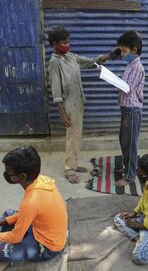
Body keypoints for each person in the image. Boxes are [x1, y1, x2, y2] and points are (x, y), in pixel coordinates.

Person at [0, 146, 68, 263]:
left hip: (48, 247)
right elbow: (26, 214)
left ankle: (16, 245)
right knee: (8, 214)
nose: (6, 175)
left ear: (22, 176)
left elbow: (16, 237)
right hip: (42, 231)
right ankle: (6, 238)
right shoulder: (42, 180)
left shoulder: (30, 202)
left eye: (9, 173)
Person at [48, 26, 106, 184]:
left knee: (77, 136)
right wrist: (62, 113)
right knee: (72, 138)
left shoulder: (71, 56)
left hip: (78, 102)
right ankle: (69, 169)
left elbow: (89, 62)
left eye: (68, 41)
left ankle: (73, 163)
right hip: (69, 106)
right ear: (54, 44)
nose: (68, 44)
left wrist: (105, 57)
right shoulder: (54, 63)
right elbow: (56, 92)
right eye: (64, 42)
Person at [102, 30, 145, 187]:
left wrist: (113, 79)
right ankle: (128, 168)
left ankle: (130, 176)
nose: (122, 54)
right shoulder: (130, 65)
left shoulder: (137, 67)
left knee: (130, 143)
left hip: (132, 110)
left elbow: (128, 88)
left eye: (124, 51)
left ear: (134, 50)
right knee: (124, 140)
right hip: (127, 108)